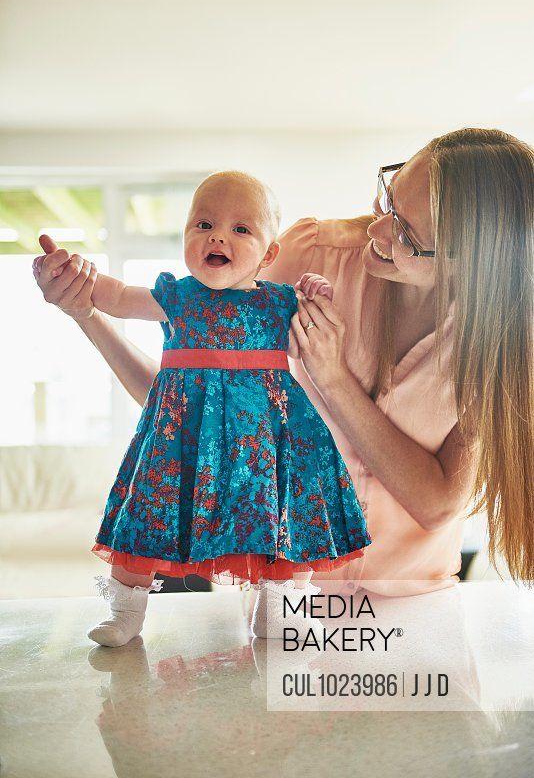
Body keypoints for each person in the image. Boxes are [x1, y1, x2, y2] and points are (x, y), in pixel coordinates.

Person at [34, 127, 534, 605]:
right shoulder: (315, 252)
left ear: (473, 260)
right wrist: (87, 313)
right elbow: (192, 397)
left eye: (405, 230)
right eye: (389, 199)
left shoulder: (505, 338)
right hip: (288, 599)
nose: (377, 229)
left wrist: (333, 379)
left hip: (417, 603)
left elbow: (438, 503)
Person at [35, 170, 371, 647]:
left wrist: (317, 294)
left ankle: (279, 613)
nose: (217, 236)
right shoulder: (175, 297)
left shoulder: (280, 303)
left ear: (269, 254)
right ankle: (126, 613)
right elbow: (111, 296)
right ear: (186, 237)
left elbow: (316, 340)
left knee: (280, 520)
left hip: (264, 445)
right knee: (148, 515)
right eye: (204, 224)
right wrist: (71, 275)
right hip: (181, 441)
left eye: (241, 229)